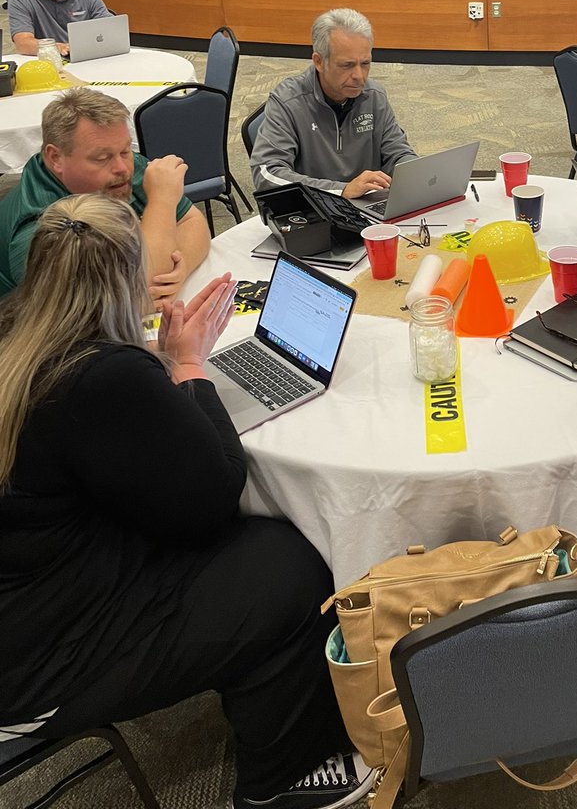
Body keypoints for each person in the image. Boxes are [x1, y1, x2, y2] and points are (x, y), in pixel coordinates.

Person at [0, 194, 373, 809]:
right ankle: (279, 784)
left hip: (28, 603)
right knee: (291, 562)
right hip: (40, 666)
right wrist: (189, 365)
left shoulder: (22, 336)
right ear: (129, 277)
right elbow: (209, 503)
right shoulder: (103, 374)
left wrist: (163, 369)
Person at [0, 88, 209, 302]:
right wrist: (161, 202)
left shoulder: (118, 168)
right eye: (101, 158)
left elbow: (192, 221)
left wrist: (179, 270)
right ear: (56, 158)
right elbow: (134, 297)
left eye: (126, 151)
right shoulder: (37, 231)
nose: (123, 168)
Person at [251, 8, 417, 198]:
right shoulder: (287, 102)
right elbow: (268, 174)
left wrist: (415, 173)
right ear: (319, 62)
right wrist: (341, 190)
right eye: (347, 65)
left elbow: (397, 153)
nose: (359, 77)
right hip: (315, 211)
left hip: (368, 208)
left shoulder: (374, 96)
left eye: (365, 64)